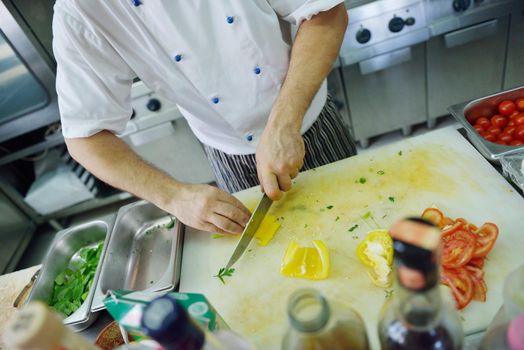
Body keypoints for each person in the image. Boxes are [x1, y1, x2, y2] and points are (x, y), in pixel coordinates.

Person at [53, 0, 356, 236]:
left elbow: (326, 14)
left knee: (361, 221)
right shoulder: (80, 11)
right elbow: (84, 137)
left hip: (307, 121)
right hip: (229, 154)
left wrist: (284, 123)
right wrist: (174, 198)